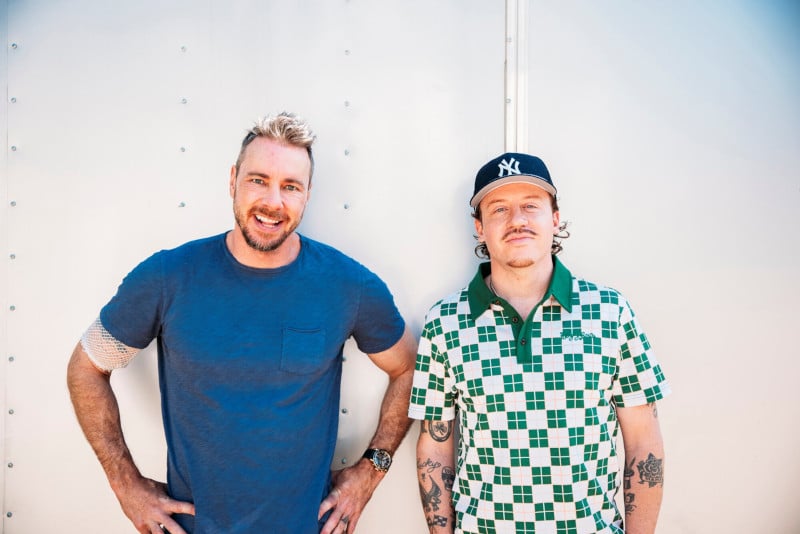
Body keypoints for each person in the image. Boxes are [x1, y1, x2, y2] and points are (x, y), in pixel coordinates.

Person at [67, 112, 416, 534]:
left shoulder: (348, 285)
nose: (273, 201)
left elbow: (408, 369)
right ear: (233, 180)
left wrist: (371, 471)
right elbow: (86, 367)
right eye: (258, 180)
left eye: (290, 186)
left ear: (307, 195)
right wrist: (125, 484)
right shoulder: (168, 277)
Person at [409, 152, 671, 534]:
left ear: (555, 219)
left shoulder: (610, 313)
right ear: (479, 227)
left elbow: (644, 442)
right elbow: (434, 448)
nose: (517, 220)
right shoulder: (444, 323)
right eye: (499, 209)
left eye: (531, 206)